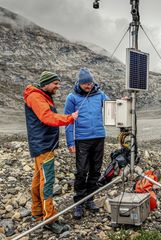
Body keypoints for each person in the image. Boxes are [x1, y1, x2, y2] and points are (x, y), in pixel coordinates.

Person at [24, 71, 78, 234]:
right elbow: (47, 117)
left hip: (42, 145)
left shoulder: (40, 95)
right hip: (43, 146)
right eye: (55, 83)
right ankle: (50, 219)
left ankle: (37, 212)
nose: (58, 86)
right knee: (47, 181)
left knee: (38, 178)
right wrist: (69, 118)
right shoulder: (36, 97)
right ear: (46, 83)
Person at [64, 67, 108, 219]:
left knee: (95, 171)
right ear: (79, 83)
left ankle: (90, 199)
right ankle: (79, 203)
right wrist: (70, 142)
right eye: (85, 84)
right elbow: (68, 121)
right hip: (81, 139)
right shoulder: (72, 97)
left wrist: (123, 102)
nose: (88, 86)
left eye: (90, 83)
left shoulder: (100, 94)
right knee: (82, 171)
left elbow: (112, 107)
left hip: (99, 137)